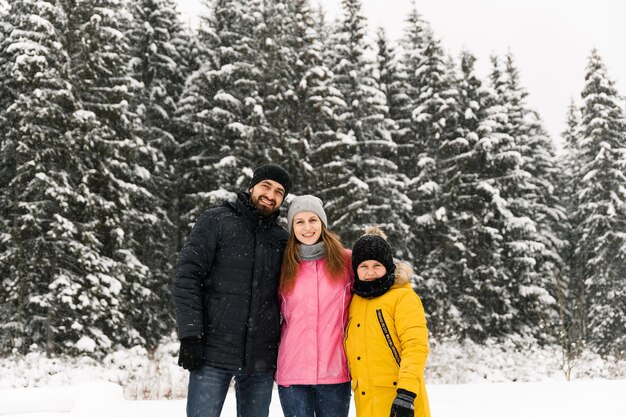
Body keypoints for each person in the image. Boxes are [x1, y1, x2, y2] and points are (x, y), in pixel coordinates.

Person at [171, 164, 293, 417]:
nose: (271, 195)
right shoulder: (217, 220)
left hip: (260, 358)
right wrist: (191, 334)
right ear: (252, 187)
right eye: (266, 186)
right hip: (212, 352)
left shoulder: (282, 239)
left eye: (279, 192)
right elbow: (187, 276)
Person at [275, 195, 353, 417]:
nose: (307, 227)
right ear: (291, 227)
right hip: (292, 373)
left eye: (313, 220)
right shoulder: (283, 265)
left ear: (323, 224)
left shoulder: (346, 261)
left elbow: (377, 282)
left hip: (335, 370)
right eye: (299, 222)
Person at [345, 227, 430, 417]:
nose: (370, 273)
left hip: (400, 401)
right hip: (367, 404)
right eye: (363, 267)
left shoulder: (402, 297)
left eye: (377, 265)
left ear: (387, 266)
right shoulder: (355, 301)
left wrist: (406, 394)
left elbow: (415, 347)